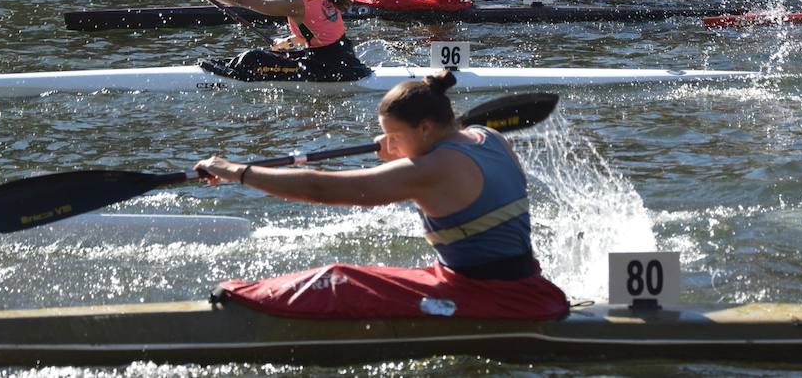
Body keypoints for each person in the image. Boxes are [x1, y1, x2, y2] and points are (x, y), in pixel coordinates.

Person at [201, 71, 568, 320]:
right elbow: (451, 163)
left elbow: (321, 188)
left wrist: (238, 172)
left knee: (337, 277)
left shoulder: (430, 170)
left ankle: (240, 298)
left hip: (490, 299)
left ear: (425, 128)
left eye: (394, 135)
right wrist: (402, 147)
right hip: (526, 284)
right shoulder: (490, 139)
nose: (387, 144)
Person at [189, 0, 370, 83]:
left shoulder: (296, 3)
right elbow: (320, 35)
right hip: (345, 60)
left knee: (252, 59)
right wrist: (287, 43)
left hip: (327, 70)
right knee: (264, 56)